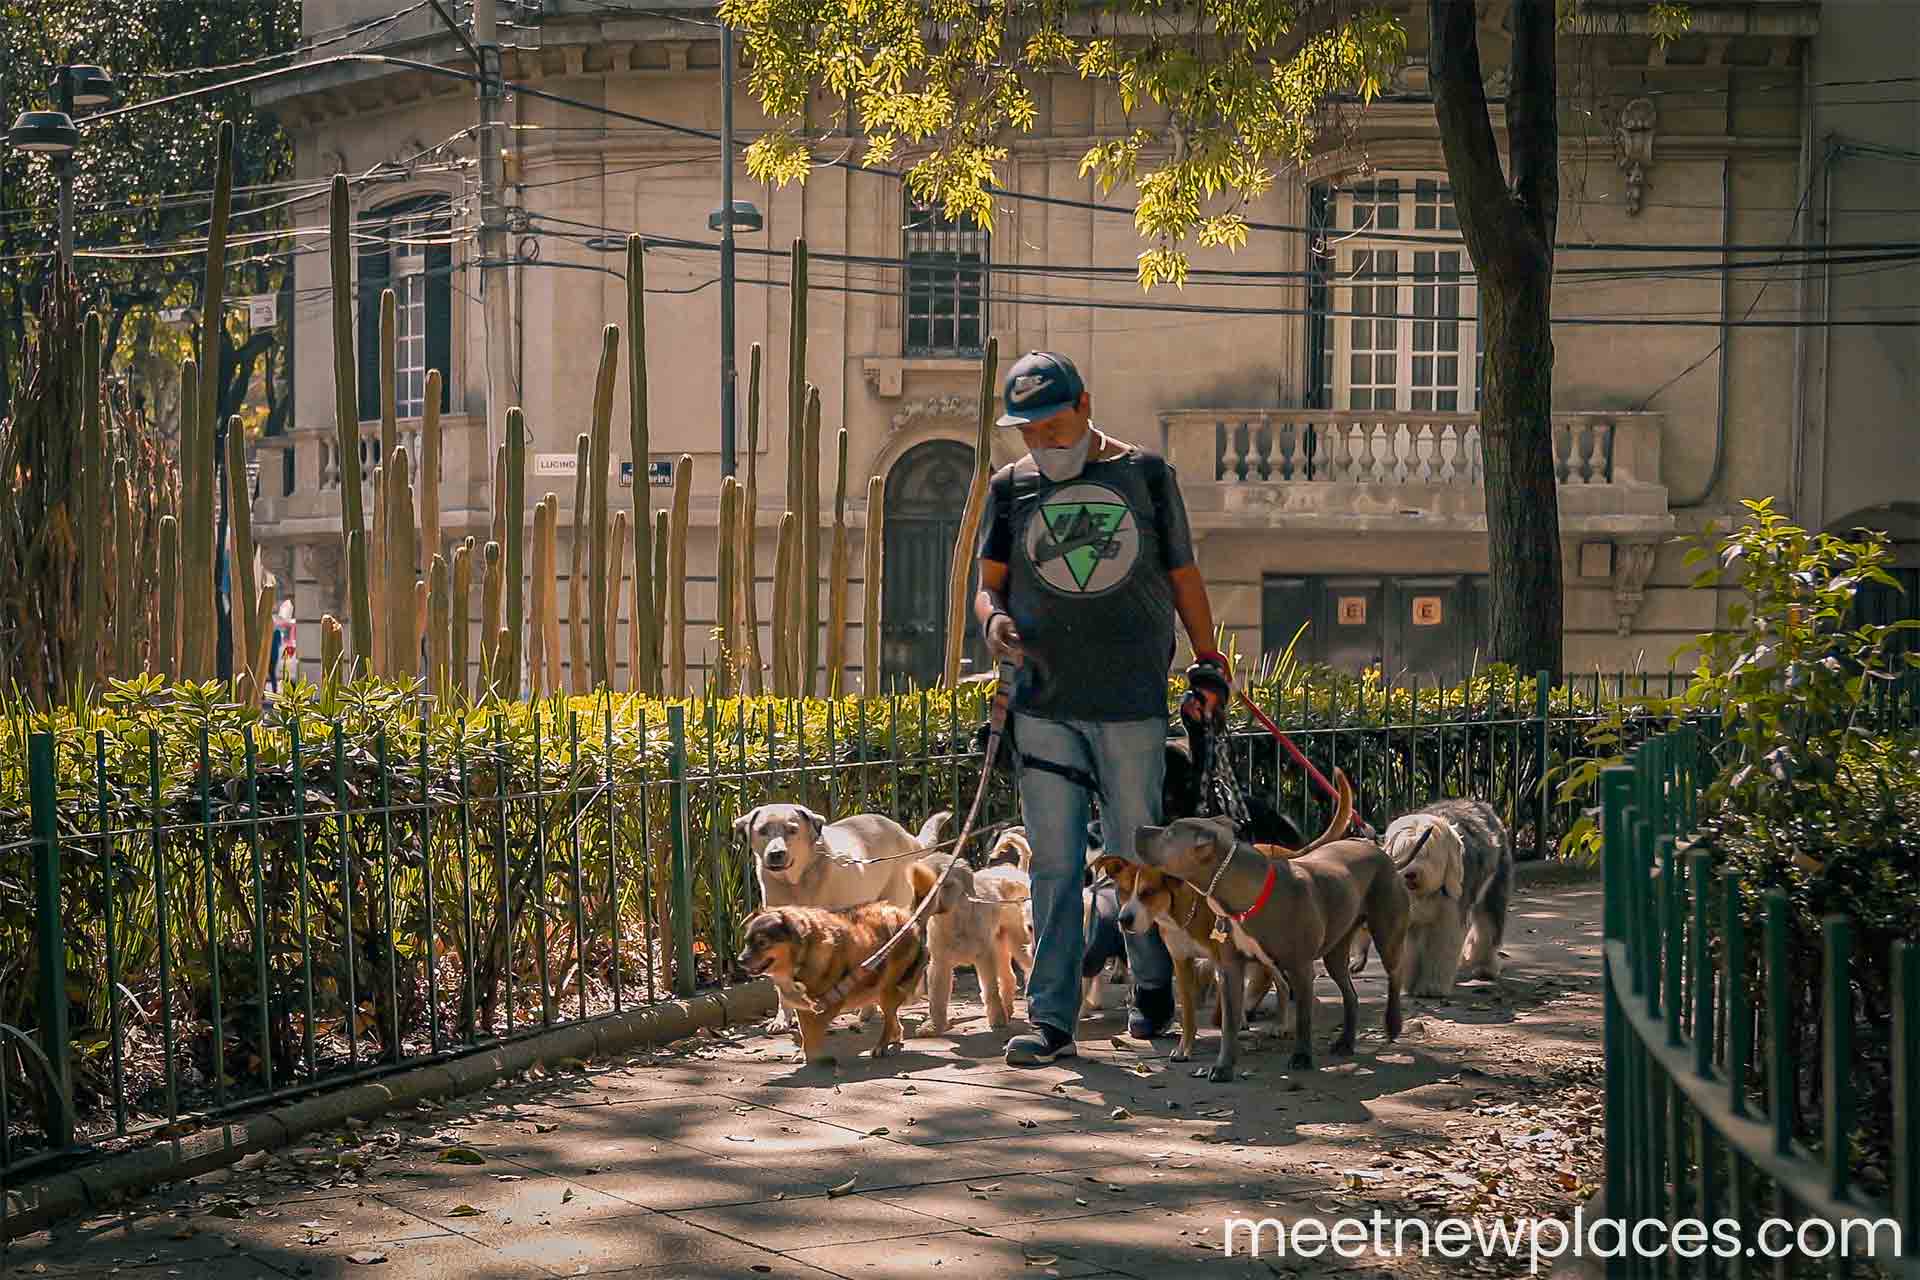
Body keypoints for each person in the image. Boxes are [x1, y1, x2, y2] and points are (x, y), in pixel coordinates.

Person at [973, 351, 1230, 1065]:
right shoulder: (1009, 489)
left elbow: (1183, 574)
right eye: (1029, 433)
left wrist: (1210, 660)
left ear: (1085, 406)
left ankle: (1152, 995)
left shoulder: (1145, 476)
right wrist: (993, 623)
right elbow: (987, 587)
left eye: (1054, 426)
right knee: (1054, 864)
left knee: (1137, 851)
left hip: (1130, 701)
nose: (1044, 444)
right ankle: (1051, 1017)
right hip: (1043, 704)